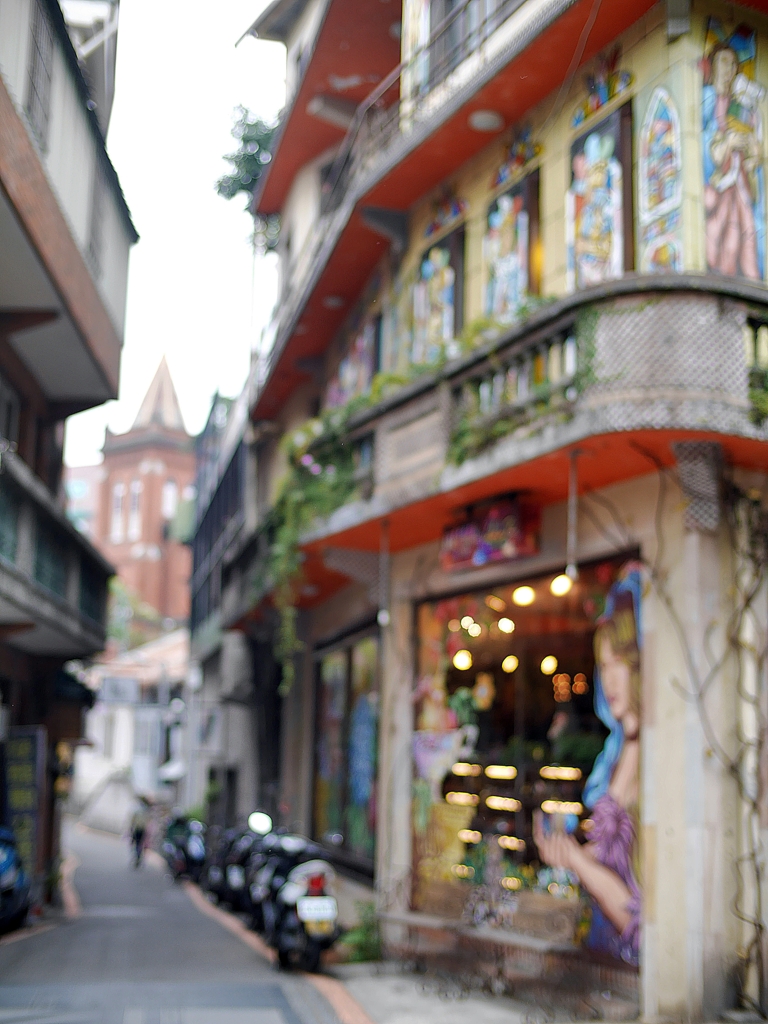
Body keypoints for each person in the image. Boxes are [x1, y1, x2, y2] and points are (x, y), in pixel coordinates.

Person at [534, 567, 642, 964]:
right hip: (603, 955)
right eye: (604, 666)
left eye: (621, 663)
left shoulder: (659, 761)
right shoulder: (623, 751)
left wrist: (578, 860)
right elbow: (611, 855)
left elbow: (638, 919)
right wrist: (566, 853)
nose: (609, 680)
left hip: (632, 965)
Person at [129, 799, 149, 868]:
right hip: (140, 829)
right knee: (138, 844)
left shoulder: (138, 810)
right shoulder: (145, 811)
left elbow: (133, 820)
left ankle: (137, 856)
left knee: (136, 844)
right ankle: (137, 856)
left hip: (138, 829)